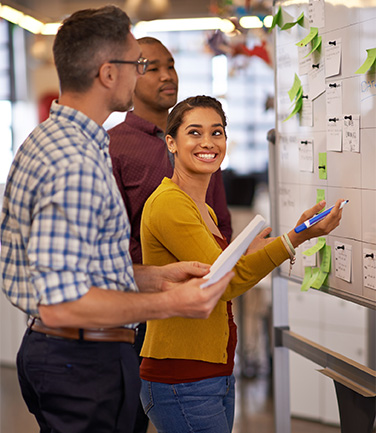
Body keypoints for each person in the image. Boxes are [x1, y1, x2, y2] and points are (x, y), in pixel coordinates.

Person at [0, 9, 234, 433]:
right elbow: (63, 302)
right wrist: (170, 303)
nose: (144, 74)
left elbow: (78, 269)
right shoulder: (75, 162)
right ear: (109, 73)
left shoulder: (55, 139)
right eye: (138, 64)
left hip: (75, 357)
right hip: (81, 362)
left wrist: (152, 277)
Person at [138, 95, 344, 433]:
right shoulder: (170, 204)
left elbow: (215, 267)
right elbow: (222, 283)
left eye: (217, 132)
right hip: (182, 378)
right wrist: (296, 238)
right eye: (195, 133)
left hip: (210, 372)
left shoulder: (202, 207)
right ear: (172, 142)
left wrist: (249, 253)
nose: (208, 142)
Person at [108, 37, 233, 433]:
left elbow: (221, 221)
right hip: (139, 305)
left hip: (200, 297)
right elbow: (111, 235)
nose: (167, 76)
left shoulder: (200, 145)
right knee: (131, 418)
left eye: (171, 65)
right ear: (129, 76)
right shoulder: (114, 144)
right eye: (152, 67)